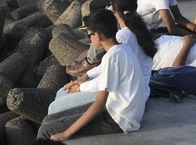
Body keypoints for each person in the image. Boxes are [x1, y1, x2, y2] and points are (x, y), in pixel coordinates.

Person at [36, 9, 146, 141]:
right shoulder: (121, 50)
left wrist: (66, 133)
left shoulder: (113, 57)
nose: (90, 39)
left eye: (89, 35)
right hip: (119, 109)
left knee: (46, 130)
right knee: (49, 119)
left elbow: (99, 104)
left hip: (120, 119)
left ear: (97, 35)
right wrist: (83, 79)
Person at [49, 0, 156, 115]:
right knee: (63, 93)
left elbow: (107, 79)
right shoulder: (143, 28)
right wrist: (86, 76)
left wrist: (80, 87)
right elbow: (109, 67)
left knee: (59, 99)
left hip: (126, 96)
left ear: (114, 11)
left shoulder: (123, 38)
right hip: (140, 91)